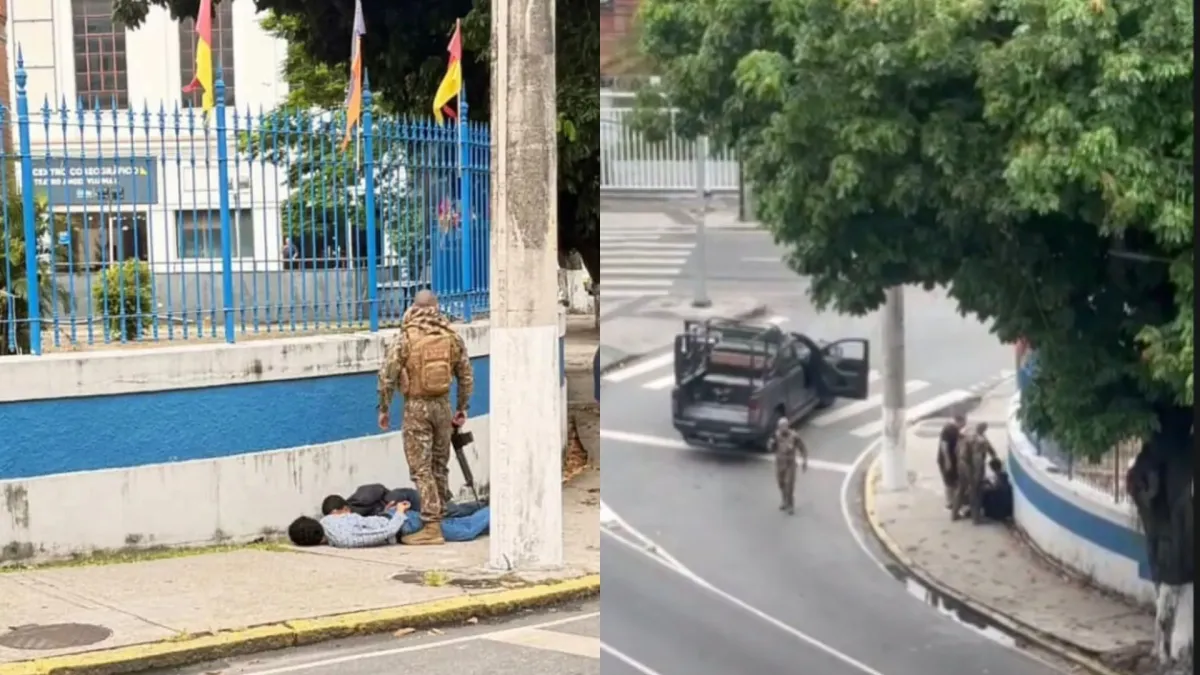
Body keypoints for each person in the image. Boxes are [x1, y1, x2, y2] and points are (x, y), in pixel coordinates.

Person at [377, 290, 474, 546]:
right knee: (439, 465)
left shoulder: (405, 338)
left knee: (421, 469)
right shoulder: (451, 337)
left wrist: (384, 407)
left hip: (416, 408)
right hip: (443, 406)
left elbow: (388, 375)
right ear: (436, 307)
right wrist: (462, 407)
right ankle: (442, 512)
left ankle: (432, 527)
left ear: (413, 307)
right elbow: (465, 375)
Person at [288, 495, 410, 548]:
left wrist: (399, 512)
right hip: (399, 524)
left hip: (396, 521)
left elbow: (386, 531)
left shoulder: (343, 538)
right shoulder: (328, 520)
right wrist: (398, 512)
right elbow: (386, 531)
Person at [952, 422, 996, 524]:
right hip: (970, 466)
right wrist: (977, 474)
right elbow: (978, 459)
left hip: (961, 464)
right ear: (984, 430)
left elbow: (956, 450)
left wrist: (992, 453)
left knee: (961, 488)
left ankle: (954, 514)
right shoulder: (979, 441)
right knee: (975, 491)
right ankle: (976, 518)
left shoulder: (967, 433)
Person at [768, 416, 807, 514]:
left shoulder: (794, 436)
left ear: (788, 426)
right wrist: (771, 444)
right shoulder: (776, 436)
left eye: (784, 426)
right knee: (781, 483)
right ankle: (784, 500)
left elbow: (802, 448)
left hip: (790, 464)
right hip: (780, 463)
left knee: (789, 484)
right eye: (781, 426)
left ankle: (790, 505)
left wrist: (804, 461)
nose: (782, 428)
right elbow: (771, 449)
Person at [936, 415, 967, 509]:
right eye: (963, 424)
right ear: (959, 421)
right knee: (949, 480)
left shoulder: (955, 430)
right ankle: (949, 502)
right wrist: (947, 460)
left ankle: (954, 500)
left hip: (953, 459)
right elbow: (944, 446)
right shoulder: (948, 430)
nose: (964, 426)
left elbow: (959, 438)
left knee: (954, 479)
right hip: (946, 459)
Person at [981, 457, 1013, 522]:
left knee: (984, 493)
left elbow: (996, 488)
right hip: (1004, 505)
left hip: (1000, 509)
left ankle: (988, 512)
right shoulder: (1003, 475)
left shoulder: (1000, 476)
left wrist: (987, 486)